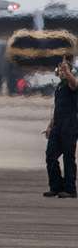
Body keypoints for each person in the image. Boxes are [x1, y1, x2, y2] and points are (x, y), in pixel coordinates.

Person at [44, 56, 78, 198]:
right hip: (58, 125)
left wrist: (68, 72)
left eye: (65, 70)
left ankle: (70, 189)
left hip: (70, 125)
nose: (62, 72)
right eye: (61, 70)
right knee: (50, 155)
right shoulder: (58, 87)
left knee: (68, 158)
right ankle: (56, 186)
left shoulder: (72, 84)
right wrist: (50, 126)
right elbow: (57, 109)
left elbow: (75, 84)